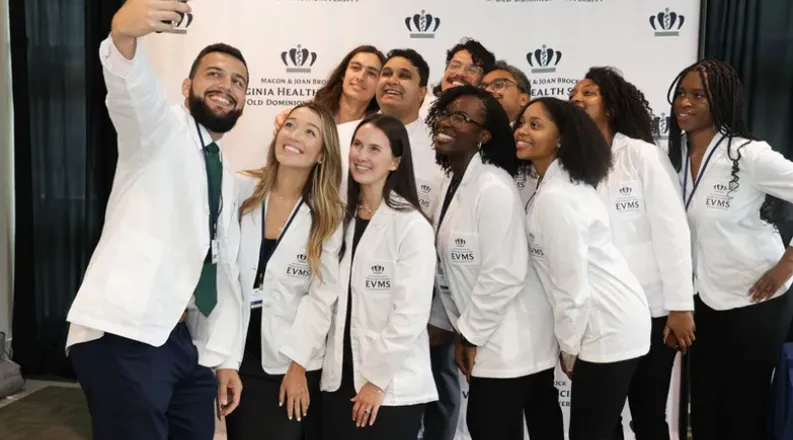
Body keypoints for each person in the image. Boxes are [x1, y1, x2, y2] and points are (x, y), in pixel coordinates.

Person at [65, 1, 248, 439]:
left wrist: (223, 359)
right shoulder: (158, 131)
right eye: (214, 74)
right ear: (187, 85)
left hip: (184, 342)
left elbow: (219, 270)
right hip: (124, 335)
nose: (227, 86)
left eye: (239, 81)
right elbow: (131, 89)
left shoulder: (222, 171)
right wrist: (124, 35)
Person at [427, 85, 563, 440]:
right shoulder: (450, 182)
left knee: (489, 427)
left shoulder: (493, 188)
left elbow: (504, 273)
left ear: (483, 136)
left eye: (461, 117)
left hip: (511, 345)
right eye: (445, 113)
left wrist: (469, 335)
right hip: (487, 338)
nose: (446, 122)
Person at [666, 60, 793, 440]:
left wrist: (787, 264)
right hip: (702, 301)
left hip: (754, 300)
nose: (684, 102)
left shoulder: (748, 155)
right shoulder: (672, 159)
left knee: (742, 409)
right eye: (681, 93)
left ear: (721, 101)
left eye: (698, 95)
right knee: (704, 407)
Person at [569, 66, 695, 440]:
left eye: (588, 92)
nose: (577, 98)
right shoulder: (570, 165)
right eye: (574, 94)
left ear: (611, 106)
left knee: (647, 414)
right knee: (603, 418)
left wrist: (680, 305)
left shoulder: (641, 155)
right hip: (600, 313)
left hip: (653, 310)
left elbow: (672, 231)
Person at [516, 98, 651, 440]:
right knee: (603, 430)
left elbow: (570, 284)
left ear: (560, 139)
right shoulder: (557, 188)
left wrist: (570, 346)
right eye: (521, 123)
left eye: (535, 125)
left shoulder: (557, 198)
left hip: (607, 324)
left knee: (590, 433)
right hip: (611, 320)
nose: (522, 131)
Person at [223, 102, 345, 440]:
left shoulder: (329, 215)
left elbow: (322, 299)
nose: (295, 136)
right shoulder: (239, 189)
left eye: (310, 132)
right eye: (291, 125)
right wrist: (224, 359)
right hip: (235, 352)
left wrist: (298, 366)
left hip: (286, 360)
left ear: (322, 153)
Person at [320, 114, 438, 439]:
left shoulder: (410, 225)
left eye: (374, 149)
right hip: (337, 380)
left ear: (395, 162)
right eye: (357, 145)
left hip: (388, 390)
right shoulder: (339, 218)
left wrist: (375, 380)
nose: (361, 155)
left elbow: (410, 315)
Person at [479, 60, 534, 204]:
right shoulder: (472, 138)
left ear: (523, 99)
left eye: (498, 84)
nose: (489, 90)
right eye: (483, 87)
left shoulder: (537, 139)